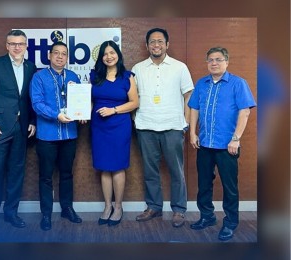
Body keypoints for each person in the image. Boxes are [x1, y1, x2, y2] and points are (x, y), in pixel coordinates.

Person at [188, 47, 256, 241]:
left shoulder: (238, 83)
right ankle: (207, 217)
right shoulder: (202, 83)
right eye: (210, 60)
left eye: (218, 59)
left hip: (228, 146)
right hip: (204, 145)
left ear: (227, 62)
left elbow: (245, 112)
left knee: (230, 186)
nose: (214, 63)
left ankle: (231, 222)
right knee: (204, 184)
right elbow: (194, 109)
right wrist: (193, 133)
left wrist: (236, 139)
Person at [132, 28, 193, 227]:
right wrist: (135, 119)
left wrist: (185, 123)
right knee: (150, 171)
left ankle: (179, 210)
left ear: (167, 44)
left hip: (173, 127)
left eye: (160, 41)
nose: (156, 45)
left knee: (177, 171)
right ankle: (154, 207)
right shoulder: (138, 68)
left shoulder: (180, 67)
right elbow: (133, 97)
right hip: (146, 127)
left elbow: (188, 96)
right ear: (146, 45)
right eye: (152, 41)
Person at [0, 29, 37, 236]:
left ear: (26, 46)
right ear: (6, 46)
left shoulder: (31, 67)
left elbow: (31, 98)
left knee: (16, 173)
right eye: (12, 43)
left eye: (20, 43)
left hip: (22, 128)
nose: (16, 47)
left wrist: (32, 121)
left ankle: (11, 213)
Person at [30, 41, 83, 231]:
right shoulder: (39, 77)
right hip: (47, 135)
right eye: (57, 53)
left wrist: (81, 114)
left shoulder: (73, 76)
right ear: (50, 56)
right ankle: (46, 214)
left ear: (67, 57)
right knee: (46, 176)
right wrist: (56, 115)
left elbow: (80, 101)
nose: (60, 57)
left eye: (64, 54)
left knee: (67, 174)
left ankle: (67, 208)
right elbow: (37, 104)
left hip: (69, 135)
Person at [90, 40, 139, 226]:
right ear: (101, 57)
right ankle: (107, 206)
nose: (109, 56)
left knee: (118, 166)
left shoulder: (127, 76)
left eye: (112, 52)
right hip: (99, 127)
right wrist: (83, 113)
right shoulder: (95, 76)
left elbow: (135, 102)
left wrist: (114, 110)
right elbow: (90, 100)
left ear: (118, 54)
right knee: (104, 166)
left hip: (119, 126)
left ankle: (118, 207)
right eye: (105, 54)